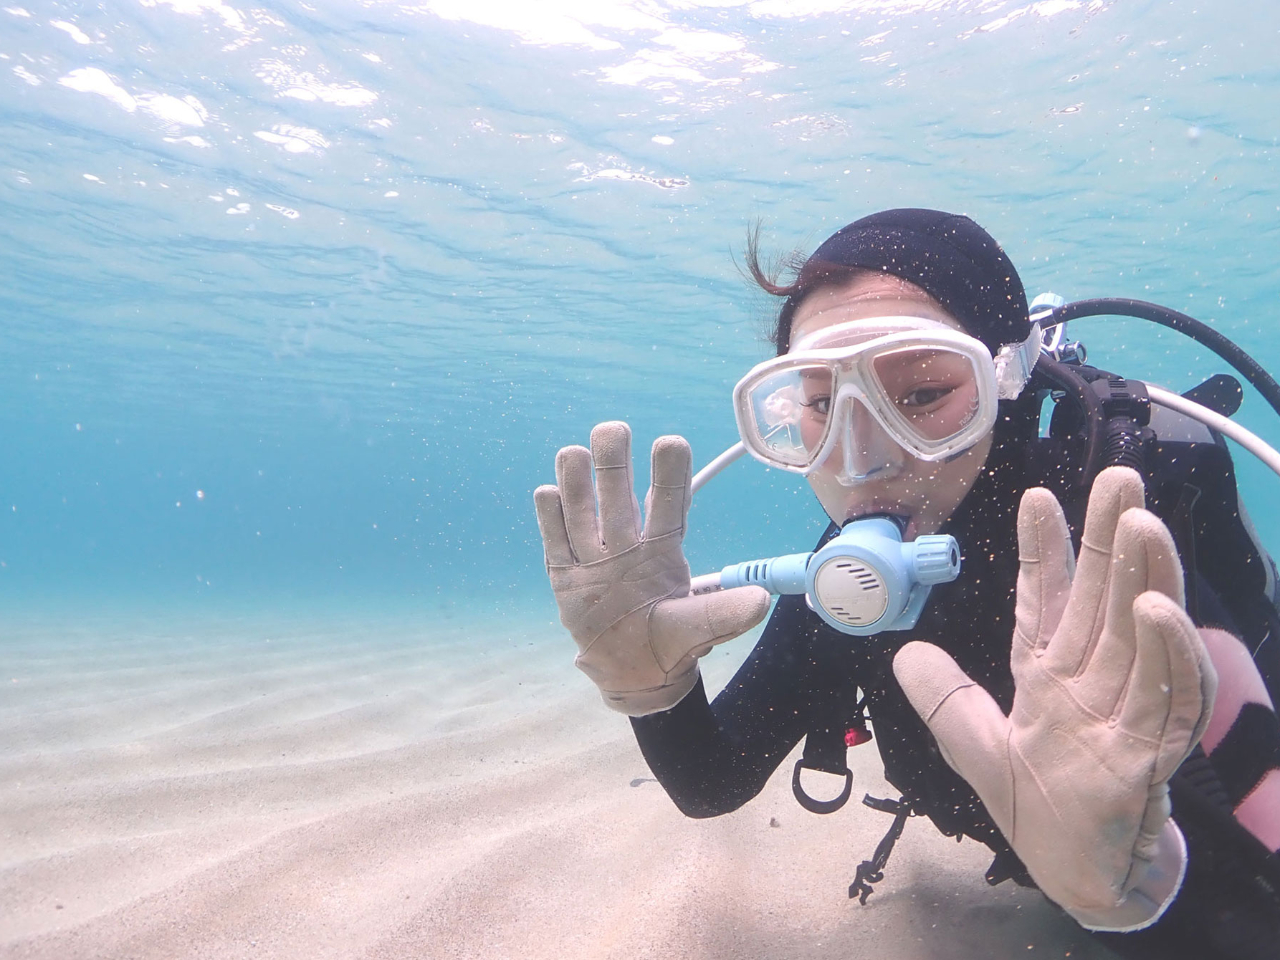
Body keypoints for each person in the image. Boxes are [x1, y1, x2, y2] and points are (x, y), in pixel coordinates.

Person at [533, 209, 1280, 958]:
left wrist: (1135, 894)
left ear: (1004, 384)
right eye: (821, 404)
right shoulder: (846, 584)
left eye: (922, 396)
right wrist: (655, 695)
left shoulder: (1113, 544)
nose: (863, 460)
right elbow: (714, 780)